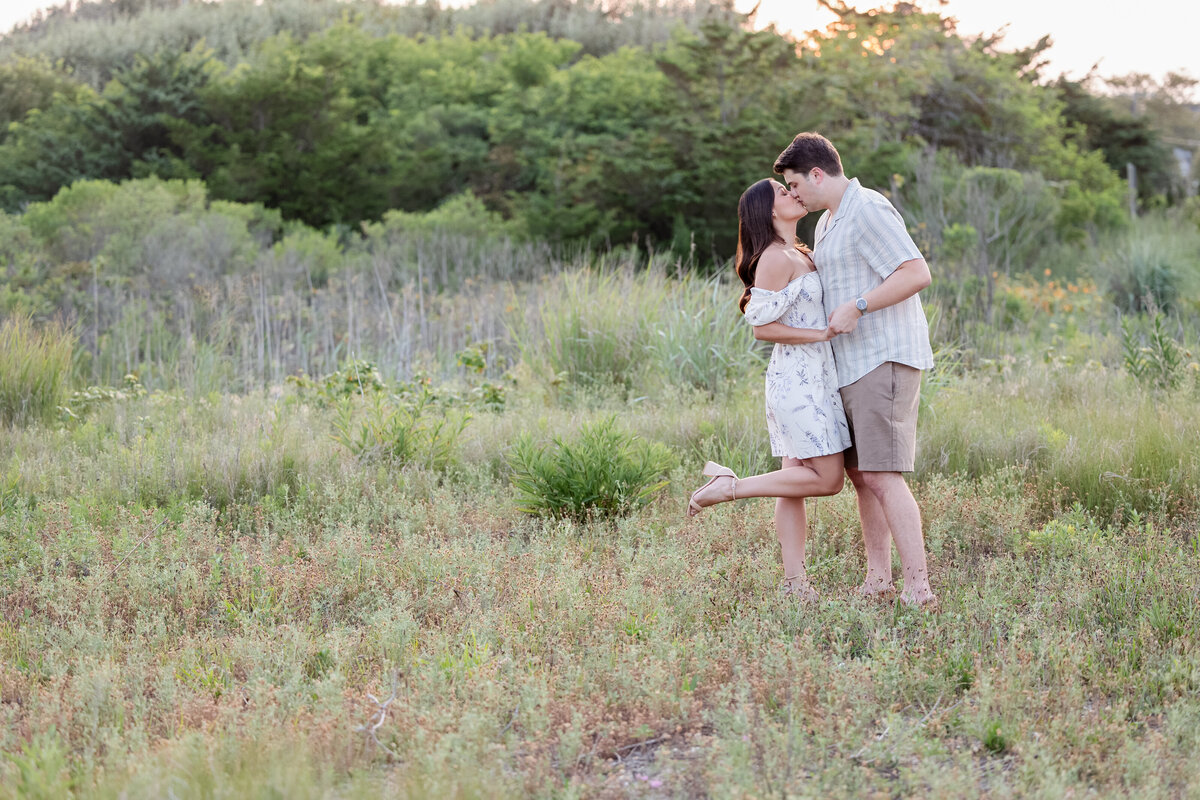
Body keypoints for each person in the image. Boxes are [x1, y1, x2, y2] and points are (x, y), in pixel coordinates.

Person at [769, 132, 937, 608]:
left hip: (883, 358)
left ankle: (918, 589)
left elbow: (915, 271)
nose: (794, 194)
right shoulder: (826, 224)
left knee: (884, 475)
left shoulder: (868, 209)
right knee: (864, 476)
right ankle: (878, 580)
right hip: (849, 366)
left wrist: (859, 305)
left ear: (817, 174)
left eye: (796, 184)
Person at [687, 178, 851, 602]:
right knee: (828, 480)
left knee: (790, 478)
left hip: (812, 377)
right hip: (799, 381)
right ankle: (730, 487)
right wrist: (822, 334)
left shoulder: (800, 252)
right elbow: (762, 326)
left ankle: (795, 584)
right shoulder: (776, 259)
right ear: (769, 212)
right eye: (783, 192)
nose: (793, 194)